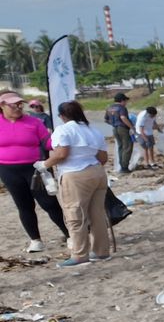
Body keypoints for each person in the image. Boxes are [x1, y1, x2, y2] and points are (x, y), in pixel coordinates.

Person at [41, 101, 111, 267]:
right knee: (97, 215)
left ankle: (80, 255)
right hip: (97, 173)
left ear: (62, 116)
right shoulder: (93, 130)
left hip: (74, 174)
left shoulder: (63, 130)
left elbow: (61, 154)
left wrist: (44, 164)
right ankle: (101, 252)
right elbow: (103, 158)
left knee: (75, 215)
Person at [0, 90, 67, 253]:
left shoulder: (34, 122)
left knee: (49, 203)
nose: (18, 107)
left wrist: (62, 143)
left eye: (20, 104)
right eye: (13, 104)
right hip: (8, 170)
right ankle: (35, 240)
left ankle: (70, 234)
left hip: (36, 168)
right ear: (2, 106)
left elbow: (47, 142)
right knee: (24, 206)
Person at [104, 91, 134, 173]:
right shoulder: (121, 108)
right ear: (122, 100)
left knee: (120, 147)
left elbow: (106, 120)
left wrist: (114, 124)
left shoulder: (109, 108)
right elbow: (123, 117)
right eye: (125, 101)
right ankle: (124, 167)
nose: (126, 103)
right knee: (127, 147)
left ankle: (121, 165)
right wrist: (131, 127)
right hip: (123, 128)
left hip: (115, 129)